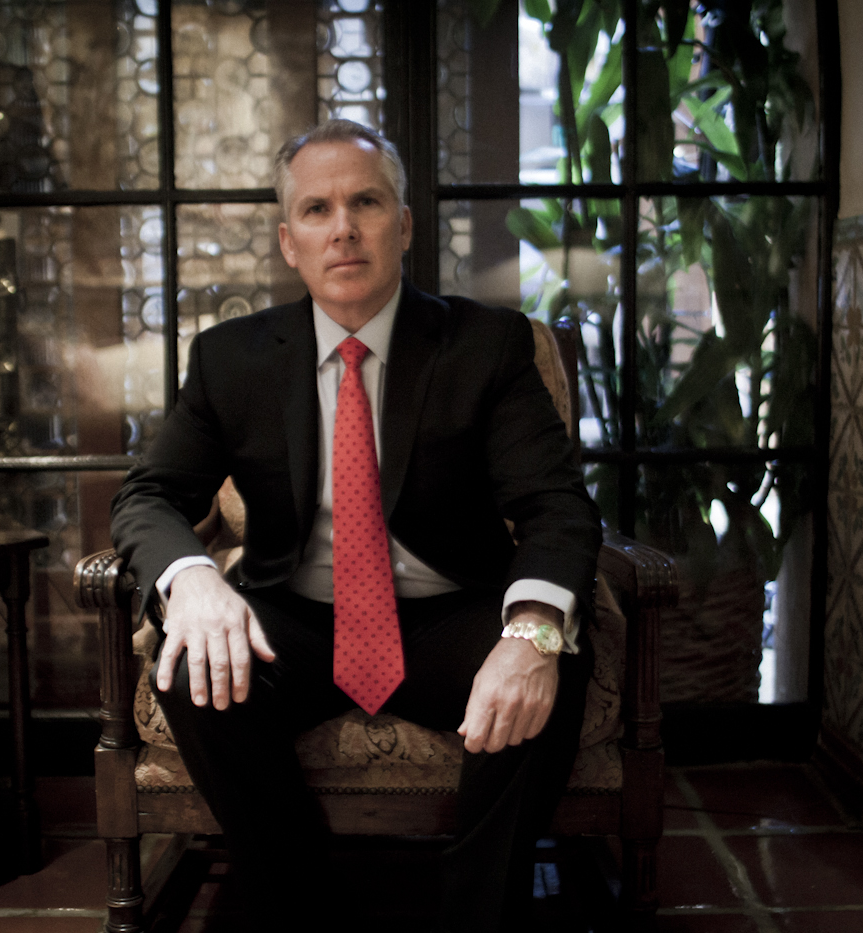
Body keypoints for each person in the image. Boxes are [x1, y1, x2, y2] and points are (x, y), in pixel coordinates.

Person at [110, 119, 601, 931]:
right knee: (193, 663)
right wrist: (193, 579)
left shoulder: (486, 345)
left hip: (451, 609)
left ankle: (480, 917)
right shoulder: (231, 358)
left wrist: (532, 632)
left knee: (553, 660)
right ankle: (301, 907)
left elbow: (557, 506)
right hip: (294, 616)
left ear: (402, 226)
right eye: (317, 209)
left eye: (365, 203)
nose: (343, 227)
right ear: (289, 242)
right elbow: (149, 493)